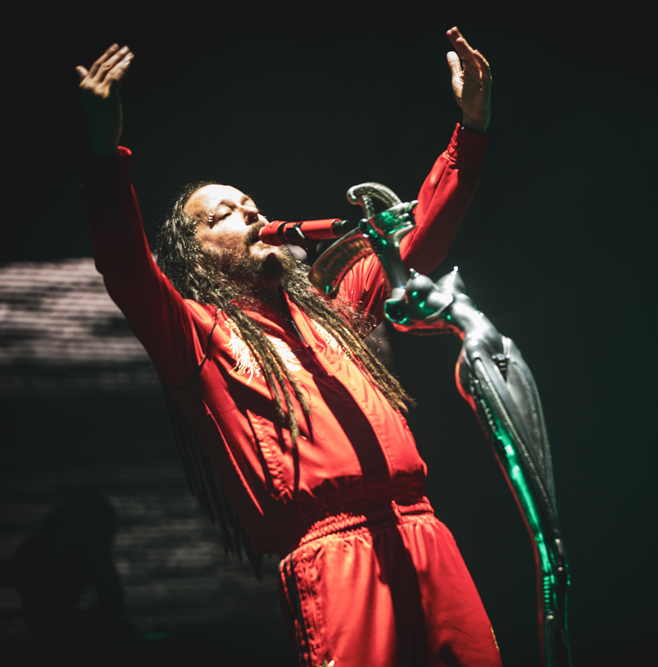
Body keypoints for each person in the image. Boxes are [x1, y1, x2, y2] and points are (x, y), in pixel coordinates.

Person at [77, 27, 500, 666]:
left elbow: (417, 244)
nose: (250, 213)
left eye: (250, 203)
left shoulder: (331, 311)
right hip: (336, 559)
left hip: (424, 531)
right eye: (222, 214)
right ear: (194, 257)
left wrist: (471, 128)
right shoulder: (197, 336)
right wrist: (104, 154)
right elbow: (129, 271)